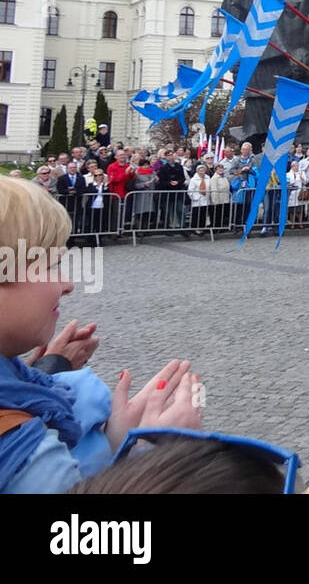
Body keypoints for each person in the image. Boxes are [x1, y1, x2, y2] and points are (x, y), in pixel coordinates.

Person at [0, 178, 203, 493]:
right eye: (52, 265)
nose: (67, 284)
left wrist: (112, 442)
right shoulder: (21, 452)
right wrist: (153, 454)